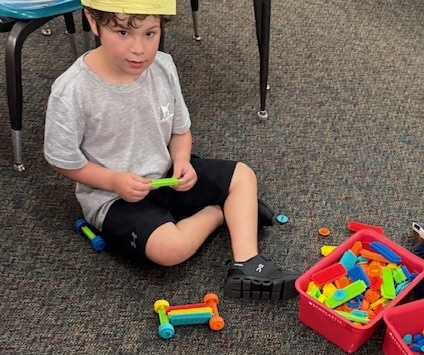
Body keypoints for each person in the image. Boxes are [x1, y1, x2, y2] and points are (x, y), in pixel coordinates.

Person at [44, 0, 300, 300]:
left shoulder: (163, 66)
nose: (139, 49)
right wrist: (114, 181)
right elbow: (62, 160)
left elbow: (180, 129)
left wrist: (181, 160)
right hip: (113, 198)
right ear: (92, 20)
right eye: (123, 32)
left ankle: (248, 263)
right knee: (169, 249)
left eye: (150, 33)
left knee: (243, 175)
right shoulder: (71, 91)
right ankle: (219, 213)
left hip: (167, 175)